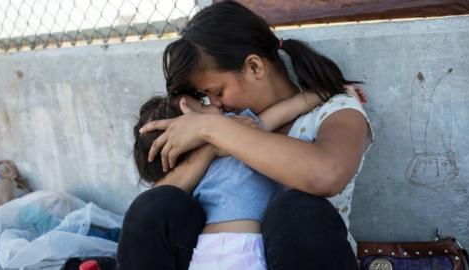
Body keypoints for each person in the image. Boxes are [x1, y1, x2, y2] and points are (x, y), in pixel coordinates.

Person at [117, 1, 373, 269]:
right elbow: (147, 218)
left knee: (296, 210)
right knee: (152, 208)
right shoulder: (223, 127)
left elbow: (327, 174)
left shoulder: (334, 110)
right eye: (206, 97)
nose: (214, 104)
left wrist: (212, 129)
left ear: (254, 67)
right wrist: (209, 147)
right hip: (214, 257)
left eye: (218, 92)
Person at [132, 92, 326, 269]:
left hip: (238, 248)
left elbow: (285, 109)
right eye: (203, 105)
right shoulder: (192, 168)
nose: (214, 106)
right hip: (211, 251)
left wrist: (323, 92)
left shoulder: (237, 128)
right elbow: (152, 203)